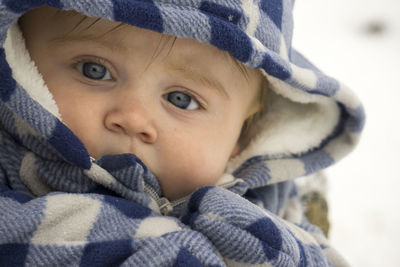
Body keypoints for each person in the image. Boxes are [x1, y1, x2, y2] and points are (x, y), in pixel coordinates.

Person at [0, 1, 364, 266]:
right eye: (94, 70)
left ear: (244, 136)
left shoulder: (260, 195)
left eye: (181, 100)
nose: (132, 118)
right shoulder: (11, 165)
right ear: (19, 59)